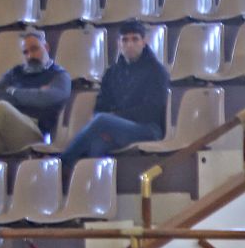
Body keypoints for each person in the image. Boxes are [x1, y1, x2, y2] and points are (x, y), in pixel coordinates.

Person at [59, 19, 169, 169]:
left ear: (144, 41)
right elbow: (101, 104)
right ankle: (94, 187)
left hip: (148, 129)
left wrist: (113, 119)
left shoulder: (157, 71)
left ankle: (62, 164)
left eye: (135, 39)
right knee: (97, 144)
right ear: (119, 44)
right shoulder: (112, 72)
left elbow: (152, 110)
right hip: (115, 127)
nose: (129, 44)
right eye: (125, 40)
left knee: (102, 120)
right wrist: (110, 125)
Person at [0, 29, 72, 162]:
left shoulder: (59, 75)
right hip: (8, 129)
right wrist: (35, 95)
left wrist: (13, 91)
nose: (30, 56)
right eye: (26, 52)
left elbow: (48, 98)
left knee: (1, 107)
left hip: (35, 132)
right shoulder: (16, 72)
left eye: (34, 49)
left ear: (46, 47)